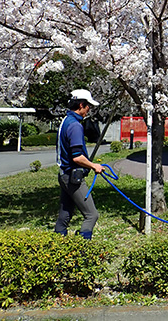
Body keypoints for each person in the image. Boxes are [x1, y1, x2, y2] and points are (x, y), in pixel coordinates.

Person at [54, 88, 105, 240]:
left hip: (63, 174)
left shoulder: (65, 121)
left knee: (65, 213)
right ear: (81, 105)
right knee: (91, 215)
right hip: (72, 176)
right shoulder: (75, 125)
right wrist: (94, 166)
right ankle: (83, 248)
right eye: (88, 106)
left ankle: (57, 243)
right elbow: (77, 157)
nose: (89, 110)